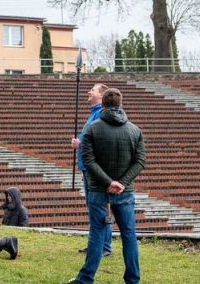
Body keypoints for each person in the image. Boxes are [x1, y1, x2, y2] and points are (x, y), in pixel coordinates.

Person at [63, 88, 145, 284]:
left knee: (97, 233)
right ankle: (133, 280)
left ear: (104, 105)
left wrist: (109, 182)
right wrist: (122, 183)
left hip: (99, 190)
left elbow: (88, 160)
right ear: (121, 104)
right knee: (129, 235)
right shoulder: (135, 130)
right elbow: (140, 161)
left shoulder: (92, 128)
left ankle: (85, 279)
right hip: (125, 192)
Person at [70, 83, 113, 257]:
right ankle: (95, 244)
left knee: (100, 208)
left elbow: (98, 141)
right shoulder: (94, 114)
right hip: (88, 169)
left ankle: (105, 247)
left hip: (96, 170)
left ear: (102, 96)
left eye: (93, 90)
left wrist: (79, 144)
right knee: (94, 209)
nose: (89, 92)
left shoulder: (100, 115)